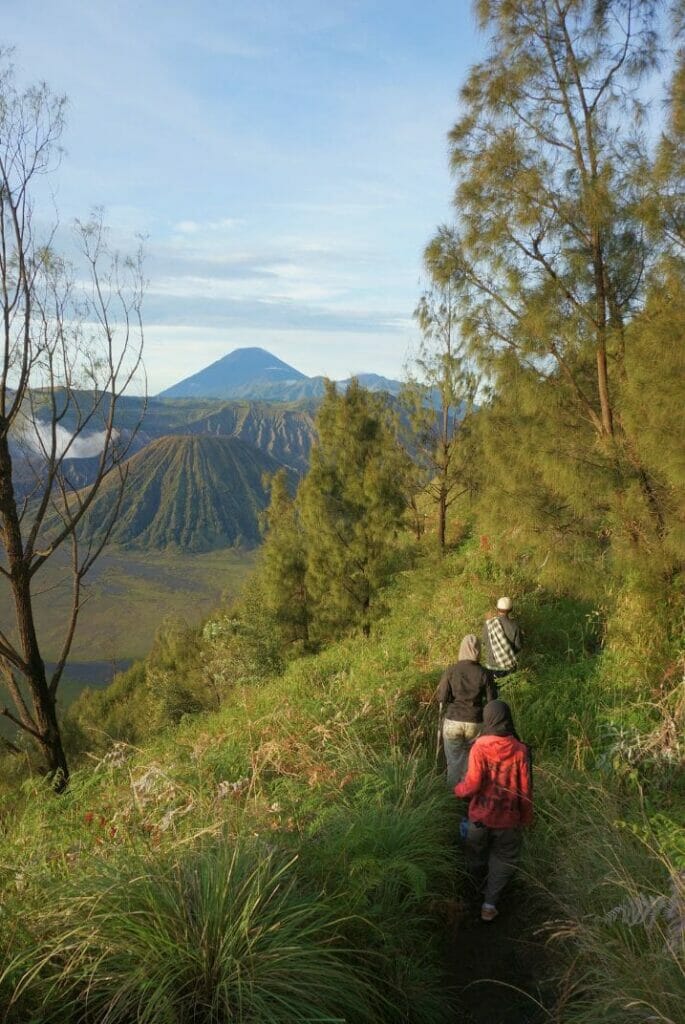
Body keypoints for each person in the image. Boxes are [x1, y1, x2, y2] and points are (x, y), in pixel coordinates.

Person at [454, 700, 533, 922]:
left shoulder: (480, 746)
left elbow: (472, 784)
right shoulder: (520, 749)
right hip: (508, 820)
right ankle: (489, 905)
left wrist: (458, 790)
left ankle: (471, 896)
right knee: (504, 859)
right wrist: (526, 818)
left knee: (474, 856)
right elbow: (525, 790)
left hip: (480, 818)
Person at [435, 635, 497, 788]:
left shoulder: (451, 671)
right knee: (472, 762)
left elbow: (441, 698)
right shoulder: (485, 673)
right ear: (478, 651)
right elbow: (492, 701)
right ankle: (470, 798)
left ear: (461, 649)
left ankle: (452, 801)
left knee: (454, 762)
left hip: (453, 721)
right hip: (475, 721)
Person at [482, 596, 522, 679]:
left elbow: (484, 642)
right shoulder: (515, 626)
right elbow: (518, 647)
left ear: (497, 609)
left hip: (491, 665)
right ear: (511, 609)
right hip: (508, 666)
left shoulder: (488, 624)